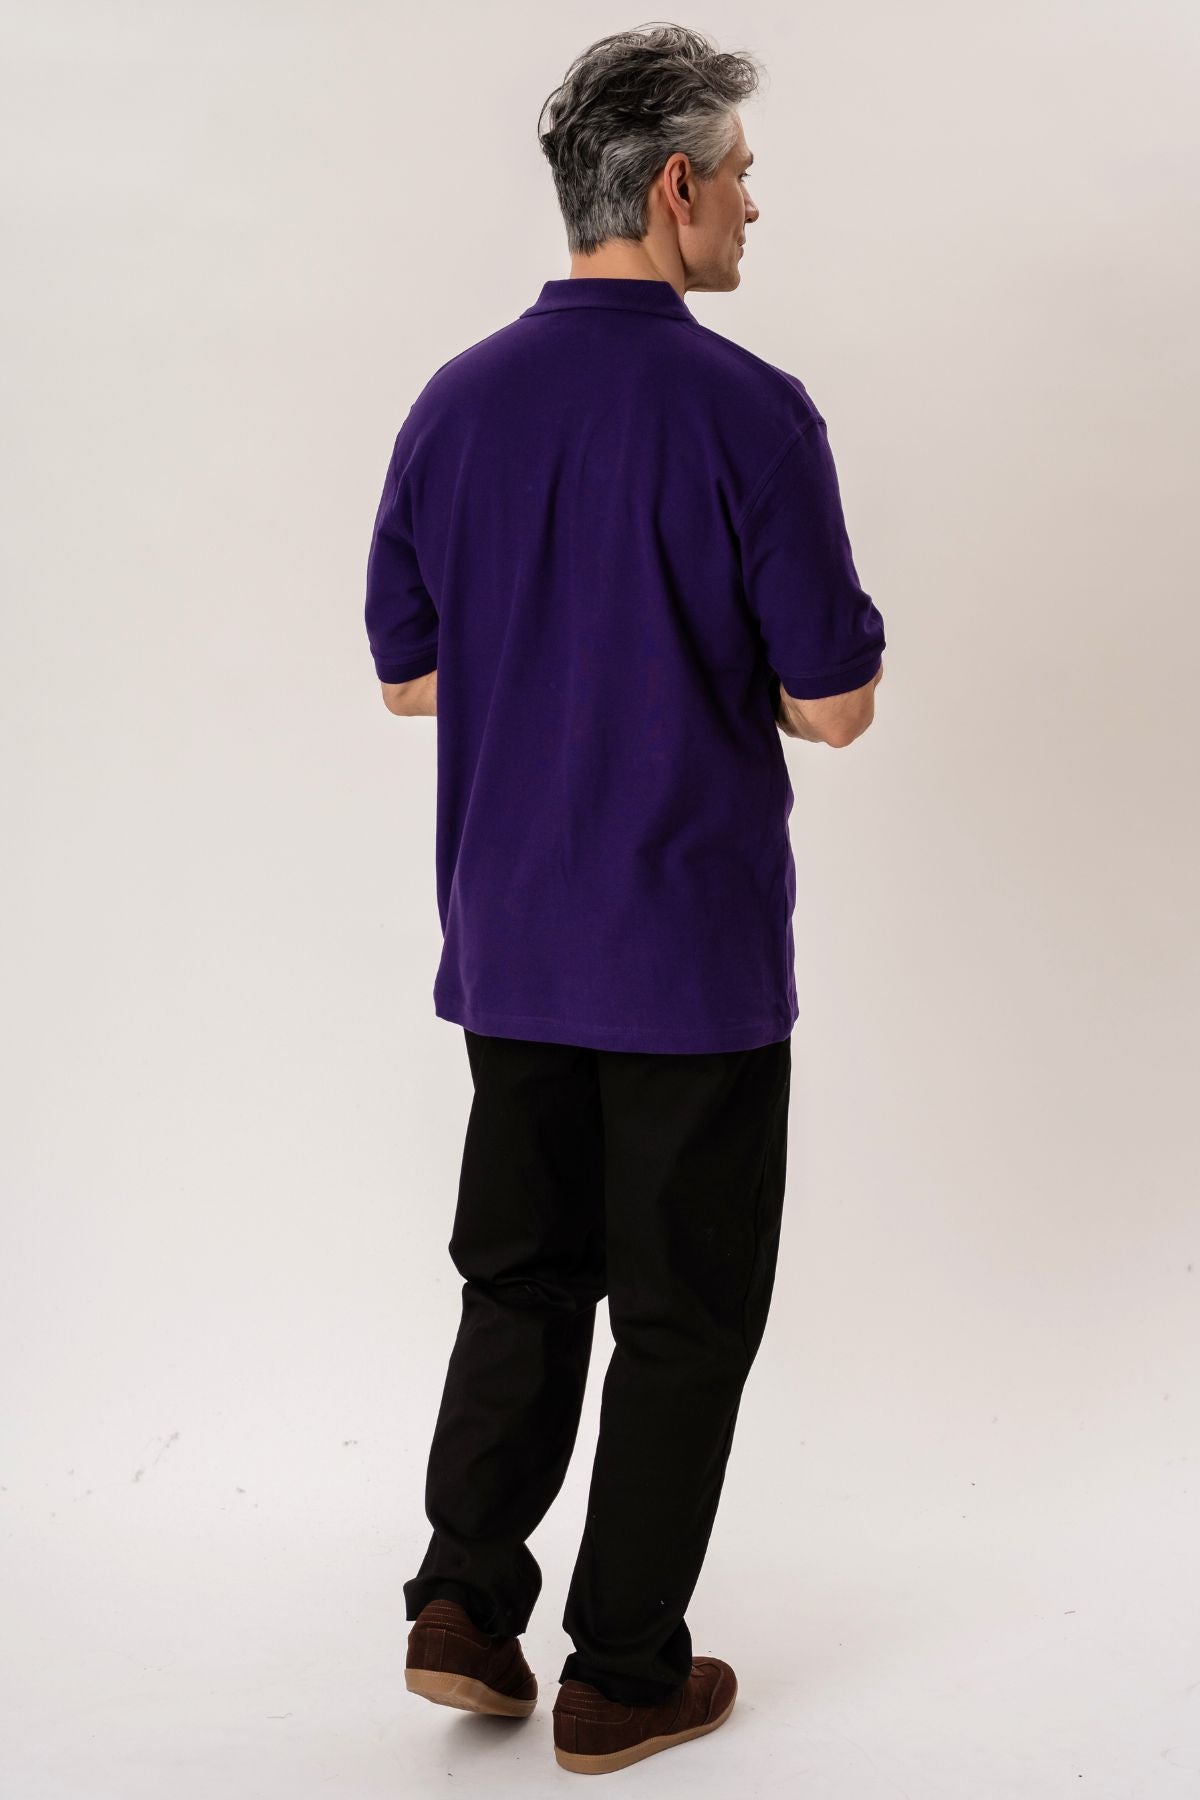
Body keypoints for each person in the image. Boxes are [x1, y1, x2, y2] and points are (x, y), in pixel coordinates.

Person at [363, 23, 886, 1776]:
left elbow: (411, 679)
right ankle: (624, 1674)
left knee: (518, 1278)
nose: (752, 206)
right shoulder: (750, 412)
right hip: (689, 957)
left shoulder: (455, 402)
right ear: (674, 189)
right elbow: (834, 706)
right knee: (680, 1318)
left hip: (512, 937)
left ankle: (460, 1602)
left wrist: (560, 647)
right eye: (739, 177)